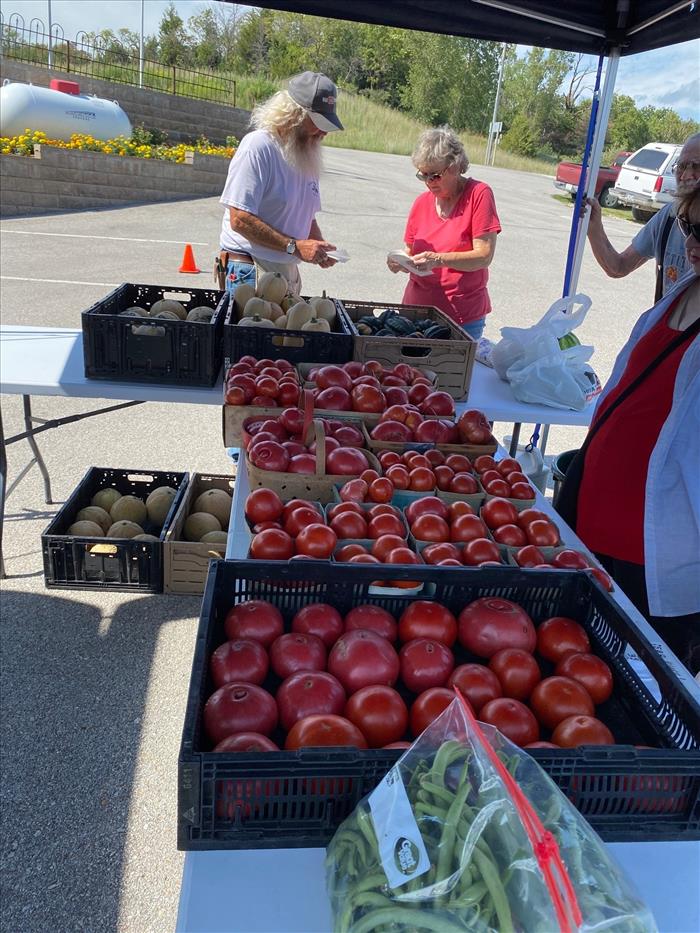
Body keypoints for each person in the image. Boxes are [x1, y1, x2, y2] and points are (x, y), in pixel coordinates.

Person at [558, 185, 700, 674]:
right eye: (688, 227)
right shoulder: (685, 289)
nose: (693, 241)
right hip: (603, 519)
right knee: (583, 663)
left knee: (639, 678)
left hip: (654, 547)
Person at [218, 71, 343, 296]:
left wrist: (317, 244)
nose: (324, 132)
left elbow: (306, 215)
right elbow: (240, 219)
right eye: (317, 123)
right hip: (250, 268)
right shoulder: (259, 146)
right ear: (293, 115)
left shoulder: (304, 154)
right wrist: (295, 246)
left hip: (285, 268)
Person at [387, 126, 501, 341]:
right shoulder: (421, 203)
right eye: (424, 175)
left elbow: (484, 255)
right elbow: (411, 252)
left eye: (435, 175)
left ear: (455, 166)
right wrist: (400, 262)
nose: (430, 183)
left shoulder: (479, 194)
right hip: (415, 313)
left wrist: (438, 260)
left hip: (461, 317)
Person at [585, 132, 700, 301]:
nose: (684, 176)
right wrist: (594, 229)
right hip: (666, 327)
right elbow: (618, 267)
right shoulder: (668, 218)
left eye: (696, 166)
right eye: (681, 166)